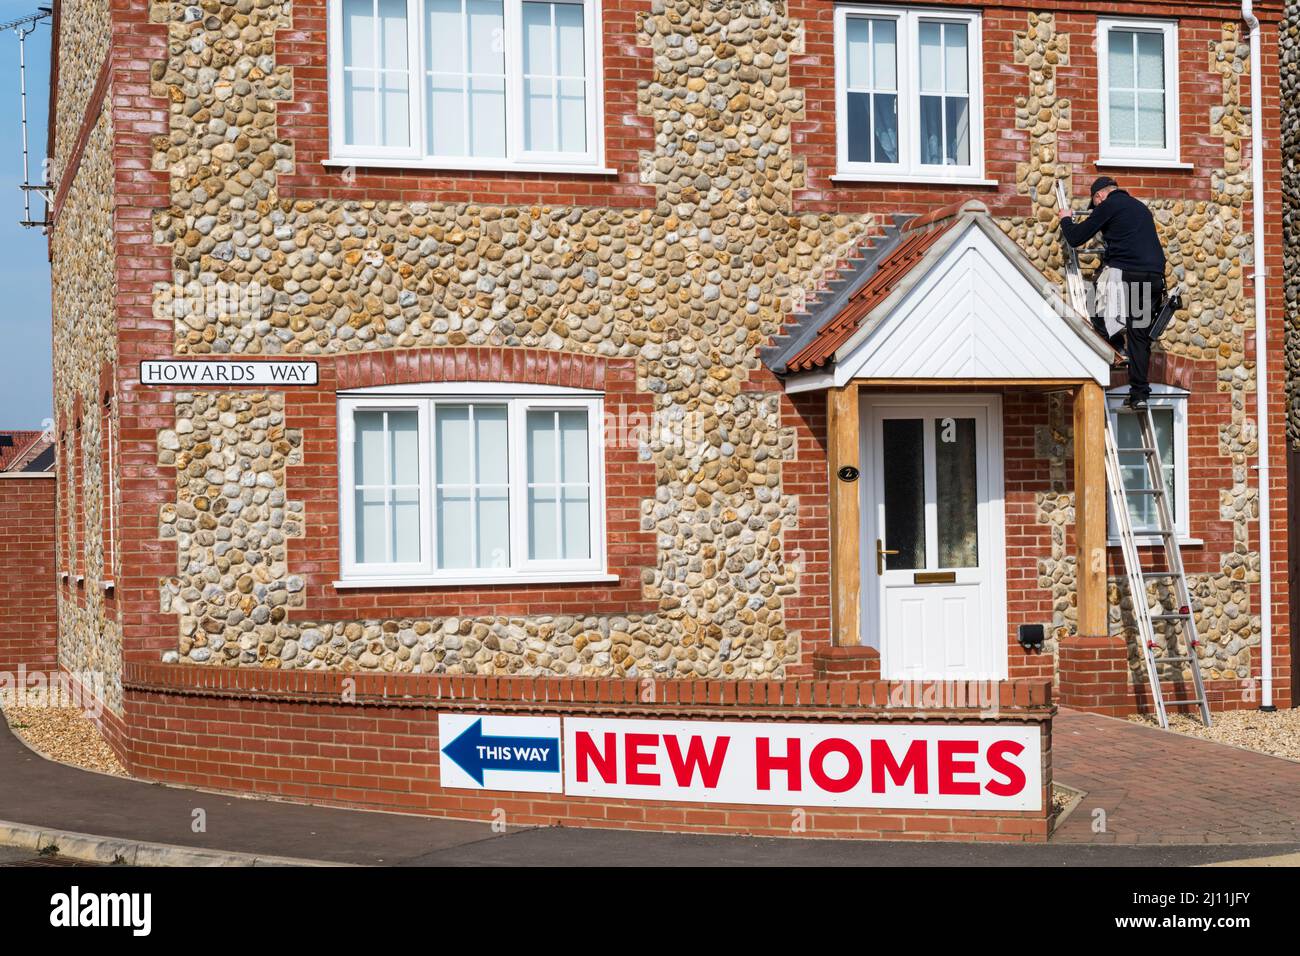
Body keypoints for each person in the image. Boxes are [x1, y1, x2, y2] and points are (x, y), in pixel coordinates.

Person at [1057, 176, 1166, 411]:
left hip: (1128, 273)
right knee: (1139, 335)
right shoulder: (1141, 208)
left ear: (1100, 196)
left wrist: (1066, 220)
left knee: (1095, 302)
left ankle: (1113, 344)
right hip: (1154, 277)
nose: (1096, 209)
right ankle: (1139, 394)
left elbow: (1076, 238)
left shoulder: (1109, 205)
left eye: (1095, 205)